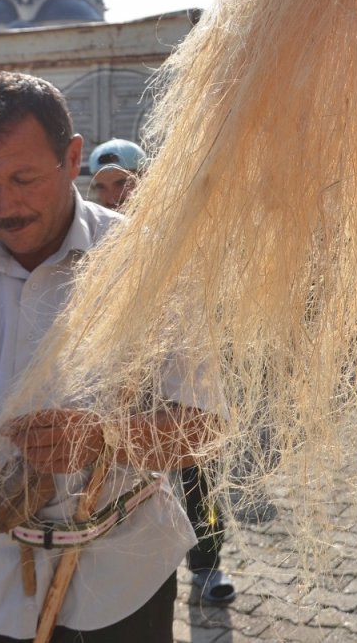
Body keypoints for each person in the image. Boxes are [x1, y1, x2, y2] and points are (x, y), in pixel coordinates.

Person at [0, 73, 219, 642]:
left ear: (72, 159)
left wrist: (104, 439)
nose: (5, 205)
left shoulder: (148, 263)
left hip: (119, 586)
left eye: (24, 178)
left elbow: (204, 428)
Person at [86, 138, 237, 608]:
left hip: (180, 366)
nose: (115, 196)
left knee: (197, 469)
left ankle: (209, 564)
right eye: (103, 187)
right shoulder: (93, 238)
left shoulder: (178, 228)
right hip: (122, 376)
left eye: (124, 184)